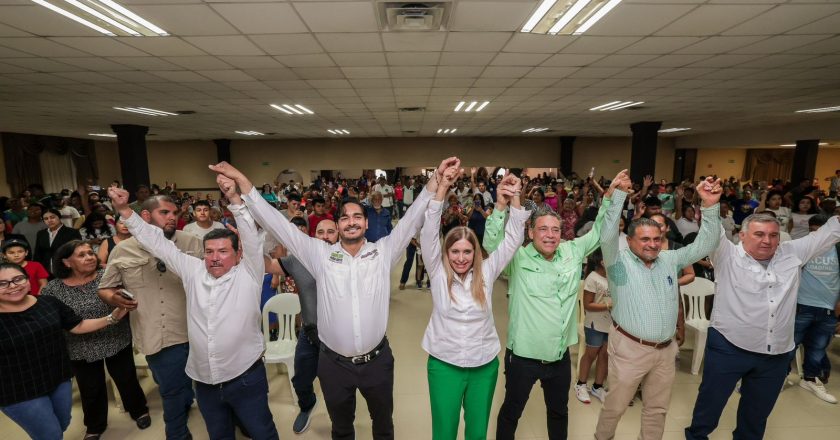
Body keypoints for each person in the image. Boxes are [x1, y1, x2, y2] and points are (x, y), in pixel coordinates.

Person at [210, 157, 457, 440]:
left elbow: (413, 217)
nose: (351, 222)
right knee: (341, 429)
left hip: (377, 362)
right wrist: (243, 184)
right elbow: (278, 224)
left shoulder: (383, 251)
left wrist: (436, 181)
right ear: (338, 225)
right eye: (344, 218)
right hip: (333, 365)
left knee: (384, 426)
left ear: (366, 223)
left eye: (357, 217)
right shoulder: (320, 255)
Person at [108, 181, 280, 440]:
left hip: (244, 375)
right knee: (219, 434)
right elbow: (156, 242)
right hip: (205, 380)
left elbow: (252, 240)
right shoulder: (193, 270)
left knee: (262, 432)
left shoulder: (248, 273)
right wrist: (124, 210)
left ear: (237, 254)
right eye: (209, 251)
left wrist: (234, 198)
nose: (215, 257)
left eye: (223, 251)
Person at [491, 170, 631, 440]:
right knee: (511, 411)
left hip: (558, 358)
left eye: (555, 230)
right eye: (543, 229)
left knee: (558, 413)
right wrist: (501, 206)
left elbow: (601, 230)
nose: (550, 235)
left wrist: (613, 197)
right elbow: (492, 244)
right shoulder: (517, 258)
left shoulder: (571, 251)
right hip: (523, 357)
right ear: (530, 232)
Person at [685, 210, 840, 440]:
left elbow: (830, 232)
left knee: (756, 417)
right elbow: (712, 232)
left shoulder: (792, 252)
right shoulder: (727, 255)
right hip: (729, 347)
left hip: (775, 353)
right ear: (742, 236)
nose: (767, 240)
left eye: (773, 235)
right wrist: (709, 204)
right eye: (759, 234)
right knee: (710, 405)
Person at [594, 177, 722, 440]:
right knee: (616, 406)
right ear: (629, 242)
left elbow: (705, 245)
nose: (652, 244)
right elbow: (606, 236)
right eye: (644, 240)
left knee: (657, 409)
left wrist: (709, 207)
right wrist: (618, 196)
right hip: (630, 348)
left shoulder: (669, 259)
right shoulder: (618, 264)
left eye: (656, 238)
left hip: (665, 350)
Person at [422, 172, 527, 440]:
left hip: (483, 366)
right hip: (444, 365)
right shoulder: (436, 272)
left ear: (476, 253)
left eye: (467, 251)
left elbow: (514, 239)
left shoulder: (487, 272)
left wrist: (515, 197)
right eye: (454, 251)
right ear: (446, 253)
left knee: (477, 432)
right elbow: (429, 233)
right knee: (444, 432)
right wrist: (441, 191)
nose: (461, 258)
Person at [98, 194, 203, 440]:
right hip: (158, 333)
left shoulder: (191, 242)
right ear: (145, 216)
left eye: (175, 213)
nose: (172, 218)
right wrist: (114, 299)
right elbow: (105, 288)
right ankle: (177, 434)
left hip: (198, 329)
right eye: (164, 213)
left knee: (205, 385)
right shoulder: (123, 250)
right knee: (171, 389)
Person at [0, 262, 128, 440]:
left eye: (18, 279)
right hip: (18, 390)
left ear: (28, 281)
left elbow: (78, 325)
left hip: (58, 377)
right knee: (51, 434)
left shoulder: (48, 303)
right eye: (3, 283)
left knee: (62, 422)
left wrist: (113, 317)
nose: (12, 286)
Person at [42, 241, 150, 439]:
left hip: (116, 339)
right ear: (66, 262)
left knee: (126, 379)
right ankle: (95, 425)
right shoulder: (53, 289)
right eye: (81, 255)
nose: (90, 257)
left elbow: (129, 298)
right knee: (90, 388)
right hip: (80, 347)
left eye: (91, 253)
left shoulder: (107, 276)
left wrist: (125, 307)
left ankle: (139, 410)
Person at [264, 218, 339, 433]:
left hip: (337, 338)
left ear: (338, 234)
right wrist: (249, 245)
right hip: (309, 335)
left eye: (330, 231)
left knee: (336, 385)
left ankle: (340, 419)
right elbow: (269, 265)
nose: (325, 236)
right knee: (301, 381)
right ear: (313, 236)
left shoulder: (348, 261)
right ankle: (307, 406)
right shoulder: (299, 261)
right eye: (320, 231)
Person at [789, 214, 839, 403]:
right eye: (813, 231)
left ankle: (810, 378)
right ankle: (778, 377)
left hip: (828, 308)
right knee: (789, 345)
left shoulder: (838, 248)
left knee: (818, 348)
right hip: (803, 305)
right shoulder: (804, 247)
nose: (817, 236)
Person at [574, 250, 611, 405]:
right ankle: (581, 384)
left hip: (611, 324)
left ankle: (598, 386)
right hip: (594, 324)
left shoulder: (615, 278)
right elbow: (588, 305)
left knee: (605, 355)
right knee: (591, 354)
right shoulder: (592, 278)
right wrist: (608, 305)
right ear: (602, 262)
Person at [34, 208, 82, 276]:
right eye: (46, 219)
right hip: (46, 272)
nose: (49, 220)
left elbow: (77, 252)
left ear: (59, 217)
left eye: (52, 217)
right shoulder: (41, 233)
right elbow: (37, 254)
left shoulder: (72, 232)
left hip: (67, 270)